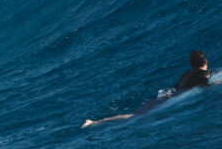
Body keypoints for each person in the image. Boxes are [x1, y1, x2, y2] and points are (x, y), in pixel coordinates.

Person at [82, 50, 212, 128]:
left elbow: (177, 88)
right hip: (173, 99)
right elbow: (205, 85)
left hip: (166, 97)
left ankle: (96, 122)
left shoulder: (186, 74)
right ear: (205, 61)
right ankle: (95, 122)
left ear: (191, 63)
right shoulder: (204, 75)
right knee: (136, 116)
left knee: (135, 114)